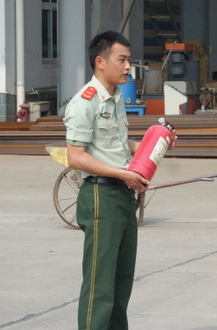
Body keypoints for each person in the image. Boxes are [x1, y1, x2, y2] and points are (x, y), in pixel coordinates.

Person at [63, 30, 176, 330]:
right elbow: (75, 157)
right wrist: (123, 174)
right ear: (100, 62)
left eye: (129, 60)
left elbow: (116, 143)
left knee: (121, 280)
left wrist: (155, 143)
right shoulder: (85, 102)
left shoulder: (115, 98)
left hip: (123, 195)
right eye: (122, 60)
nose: (128, 67)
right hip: (101, 196)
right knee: (100, 283)